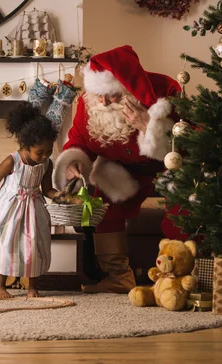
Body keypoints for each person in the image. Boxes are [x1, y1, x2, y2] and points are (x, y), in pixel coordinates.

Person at [54, 45, 181, 294]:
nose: (103, 102)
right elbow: (80, 140)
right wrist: (74, 161)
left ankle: (175, 277)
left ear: (127, 89)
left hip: (168, 167)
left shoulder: (165, 90)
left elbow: (191, 141)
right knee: (103, 200)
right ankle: (118, 276)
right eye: (98, 95)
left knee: (182, 209)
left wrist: (150, 127)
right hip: (124, 170)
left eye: (111, 96)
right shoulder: (90, 103)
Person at [0, 102, 59, 299]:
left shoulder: (46, 164)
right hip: (10, 210)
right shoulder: (13, 161)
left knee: (34, 246)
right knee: (7, 244)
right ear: (25, 146)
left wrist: (59, 196)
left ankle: (32, 287)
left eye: (49, 151)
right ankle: (0, 286)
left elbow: (47, 189)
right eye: (39, 152)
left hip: (34, 209)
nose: (44, 156)